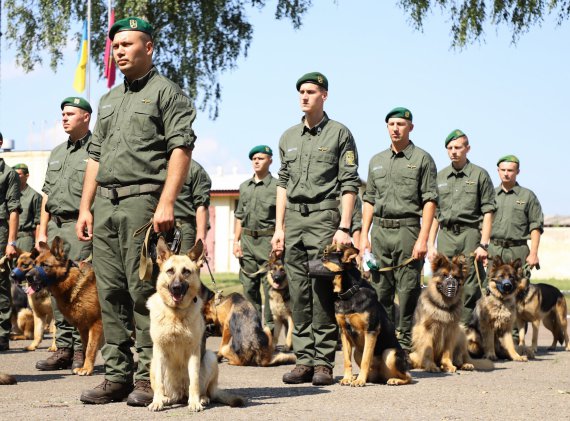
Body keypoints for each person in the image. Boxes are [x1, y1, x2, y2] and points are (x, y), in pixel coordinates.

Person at [76, 17, 196, 406]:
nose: (120, 51)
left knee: (144, 289)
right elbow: (94, 157)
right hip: (105, 206)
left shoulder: (167, 93)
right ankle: (116, 375)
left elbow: (181, 148)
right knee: (109, 292)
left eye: (128, 44)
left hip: (143, 204)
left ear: (149, 48)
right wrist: (85, 208)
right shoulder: (109, 100)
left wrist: (166, 202)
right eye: (115, 46)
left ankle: (150, 378)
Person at [272, 72, 360, 385]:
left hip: (324, 218)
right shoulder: (288, 137)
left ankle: (324, 361)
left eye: (311, 91)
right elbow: (282, 182)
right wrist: (279, 227)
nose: (304, 96)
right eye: (301, 92)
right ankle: (304, 360)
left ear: (324, 95)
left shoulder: (339, 134)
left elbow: (349, 182)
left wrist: (345, 226)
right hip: (294, 220)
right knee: (296, 291)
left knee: (321, 290)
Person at [360, 107, 437, 352]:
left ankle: (404, 344)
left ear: (410, 127)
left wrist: (423, 238)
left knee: (408, 291)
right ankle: (382, 341)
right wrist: (364, 235)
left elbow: (430, 201)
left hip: (408, 230)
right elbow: (369, 199)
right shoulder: (376, 161)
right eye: (391, 124)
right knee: (380, 290)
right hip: (381, 231)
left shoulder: (422, 159)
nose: (396, 128)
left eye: (401, 124)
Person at [34, 97, 94, 372]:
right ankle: (64, 349)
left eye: (70, 113)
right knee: (56, 291)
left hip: (80, 227)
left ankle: (82, 351)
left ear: (85, 117)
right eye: (63, 114)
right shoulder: (57, 152)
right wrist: (41, 229)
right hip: (56, 227)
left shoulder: (97, 149)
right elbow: (47, 193)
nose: (64, 118)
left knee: (80, 291)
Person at [427, 129, 495, 324]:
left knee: (470, 286)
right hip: (446, 235)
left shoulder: (479, 175)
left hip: (469, 233)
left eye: (458, 147)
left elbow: (488, 211)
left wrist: (483, 244)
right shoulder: (440, 177)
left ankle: (464, 332)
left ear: (468, 149)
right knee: (445, 284)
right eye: (449, 148)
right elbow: (435, 214)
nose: (453, 151)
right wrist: (431, 244)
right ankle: (446, 329)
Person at [233, 145, 277, 332]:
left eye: (261, 158)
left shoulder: (277, 187)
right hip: (248, 242)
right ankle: (253, 328)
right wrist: (236, 241)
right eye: (254, 159)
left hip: (268, 242)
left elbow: (282, 217)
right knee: (249, 287)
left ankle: (270, 331)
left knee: (270, 289)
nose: (257, 161)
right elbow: (239, 216)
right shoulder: (244, 187)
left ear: (270, 161)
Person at [489, 155, 543, 272]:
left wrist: (533, 254)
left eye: (510, 170)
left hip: (518, 251)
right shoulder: (489, 195)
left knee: (520, 288)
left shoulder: (528, 196)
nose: (506, 173)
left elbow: (536, 226)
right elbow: (481, 224)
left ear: (517, 171)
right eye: (503, 170)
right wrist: (482, 248)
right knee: (491, 287)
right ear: (498, 171)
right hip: (494, 250)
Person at [0, 131, 20, 352]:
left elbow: (14, 209)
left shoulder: (8, 174)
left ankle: (2, 333)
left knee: (0, 283)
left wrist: (11, 242)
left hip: (1, 230)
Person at [175, 159, 211, 253]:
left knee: (187, 265)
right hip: (158, 225)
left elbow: (202, 205)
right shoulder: (159, 163)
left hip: (183, 228)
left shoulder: (195, 169)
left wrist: (201, 239)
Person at [12, 164, 41, 252]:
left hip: (25, 240)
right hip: (8, 239)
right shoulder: (9, 195)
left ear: (27, 176)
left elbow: (39, 222)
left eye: (19, 174)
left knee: (24, 265)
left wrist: (37, 243)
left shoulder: (34, 196)